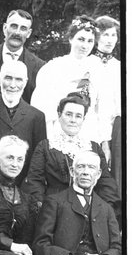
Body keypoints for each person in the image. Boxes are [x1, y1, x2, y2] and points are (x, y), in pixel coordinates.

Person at [26, 92, 121, 221]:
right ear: (59, 115)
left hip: (89, 210)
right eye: (68, 114)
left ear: (83, 119)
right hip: (55, 210)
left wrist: (105, 211)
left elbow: (106, 183)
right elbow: (35, 182)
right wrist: (44, 209)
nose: (73, 120)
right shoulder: (45, 146)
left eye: (78, 116)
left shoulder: (93, 148)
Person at [31, 15, 101, 140]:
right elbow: (44, 108)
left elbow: (99, 108)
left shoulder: (96, 68)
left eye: (90, 41)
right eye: (81, 39)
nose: (85, 46)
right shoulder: (53, 67)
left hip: (88, 130)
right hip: (60, 131)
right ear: (70, 39)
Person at [0, 60, 46, 188]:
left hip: (23, 188)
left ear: (25, 82)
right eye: (8, 78)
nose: (13, 85)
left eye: (19, 80)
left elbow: (38, 158)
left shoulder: (37, 116)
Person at [91, 16, 121, 169]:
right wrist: (103, 140)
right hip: (94, 130)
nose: (110, 40)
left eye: (113, 35)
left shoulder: (119, 67)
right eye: (105, 35)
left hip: (117, 131)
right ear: (97, 38)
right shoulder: (89, 64)